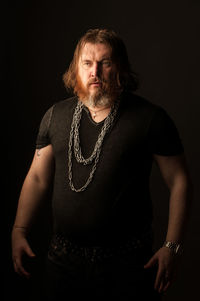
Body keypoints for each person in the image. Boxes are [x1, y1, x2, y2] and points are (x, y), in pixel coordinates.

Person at [11, 28, 192, 300]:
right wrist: (19, 229)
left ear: (120, 67)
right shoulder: (55, 116)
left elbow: (180, 181)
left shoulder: (150, 119)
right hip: (62, 262)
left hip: (127, 265)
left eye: (105, 62)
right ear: (77, 68)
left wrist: (173, 246)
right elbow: (37, 177)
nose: (95, 70)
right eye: (87, 63)